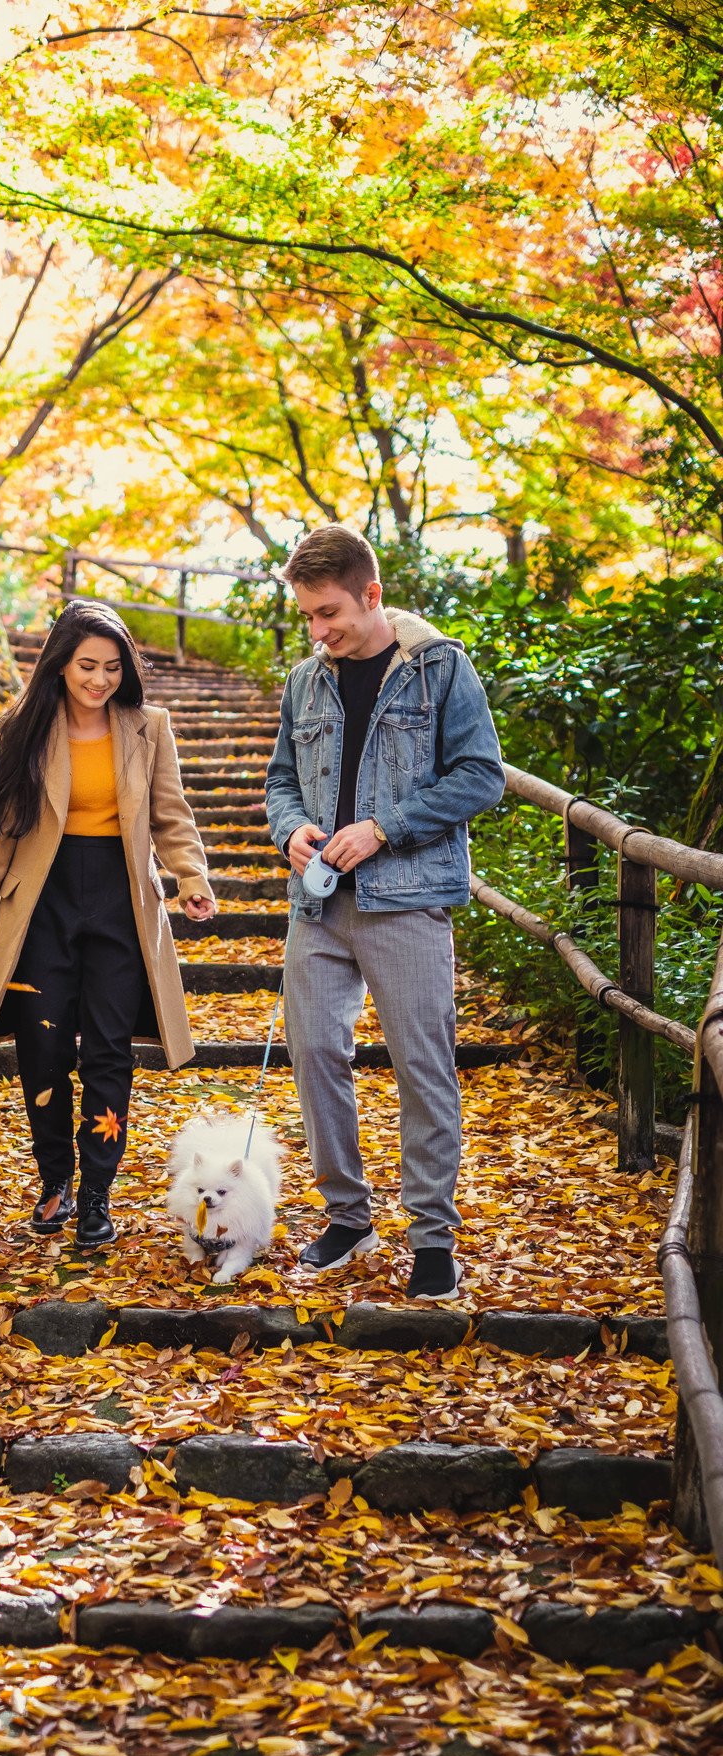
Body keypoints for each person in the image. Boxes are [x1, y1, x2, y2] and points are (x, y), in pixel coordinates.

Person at [265, 524, 505, 1300]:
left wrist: (384, 829)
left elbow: (482, 777)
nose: (318, 630)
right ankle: (348, 1217)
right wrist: (291, 830)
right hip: (317, 905)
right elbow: (279, 783)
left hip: (408, 901)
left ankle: (433, 1236)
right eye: (307, 615)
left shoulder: (441, 668)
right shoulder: (305, 680)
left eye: (329, 612)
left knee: (422, 1067)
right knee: (315, 1057)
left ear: (372, 594)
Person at [0, 601, 217, 1250]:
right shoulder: (23, 728)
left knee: (107, 1053)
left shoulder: (148, 726)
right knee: (42, 1053)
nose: (100, 680)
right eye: (87, 666)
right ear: (60, 665)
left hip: (122, 907)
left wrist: (192, 876)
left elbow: (169, 814)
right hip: (42, 905)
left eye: (112, 668)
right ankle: (54, 1181)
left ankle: (96, 1193)